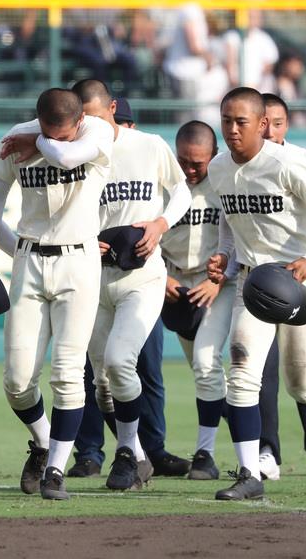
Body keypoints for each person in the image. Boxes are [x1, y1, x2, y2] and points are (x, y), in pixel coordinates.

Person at [0, 88, 113, 500]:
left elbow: (67, 157)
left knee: (68, 374)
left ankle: (55, 470)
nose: (60, 139)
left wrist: (37, 143)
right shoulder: (21, 133)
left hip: (79, 260)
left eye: (64, 132)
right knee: (17, 381)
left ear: (78, 121)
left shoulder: (96, 132)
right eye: (49, 132)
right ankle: (42, 441)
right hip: (29, 257)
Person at [206, 87, 306, 500]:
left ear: (263, 124)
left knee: (303, 385)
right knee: (241, 374)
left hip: (301, 280)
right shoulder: (218, 167)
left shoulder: (287, 163)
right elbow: (230, 218)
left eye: (240, 121)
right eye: (226, 120)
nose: (231, 129)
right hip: (253, 281)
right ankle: (250, 475)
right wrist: (224, 256)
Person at [68, 81, 191, 491]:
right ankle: (136, 456)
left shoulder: (148, 145)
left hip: (142, 275)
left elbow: (182, 194)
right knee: (103, 382)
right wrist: (85, 237)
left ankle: (125, 454)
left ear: (113, 109)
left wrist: (160, 223)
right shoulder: (74, 156)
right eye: (81, 119)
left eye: (96, 116)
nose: (91, 126)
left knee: (122, 362)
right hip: (93, 276)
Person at [256, 93, 306, 479]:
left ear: (286, 125)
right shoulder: (245, 167)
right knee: (259, 367)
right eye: (264, 122)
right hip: (260, 279)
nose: (270, 130)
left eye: (278, 122)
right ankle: (265, 451)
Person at [158, 120, 233, 481]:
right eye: (184, 160)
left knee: (206, 364)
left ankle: (206, 455)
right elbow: (143, 237)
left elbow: (243, 239)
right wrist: (161, 278)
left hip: (219, 283)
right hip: (176, 286)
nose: (189, 169)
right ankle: (258, 440)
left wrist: (220, 281)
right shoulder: (163, 187)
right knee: (205, 372)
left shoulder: (226, 184)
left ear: (214, 156)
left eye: (197, 163)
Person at [163, 0, 229, 125]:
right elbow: (194, 46)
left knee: (189, 116)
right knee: (186, 119)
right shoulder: (190, 9)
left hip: (186, 70)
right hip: (184, 71)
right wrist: (211, 58)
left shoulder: (191, 8)